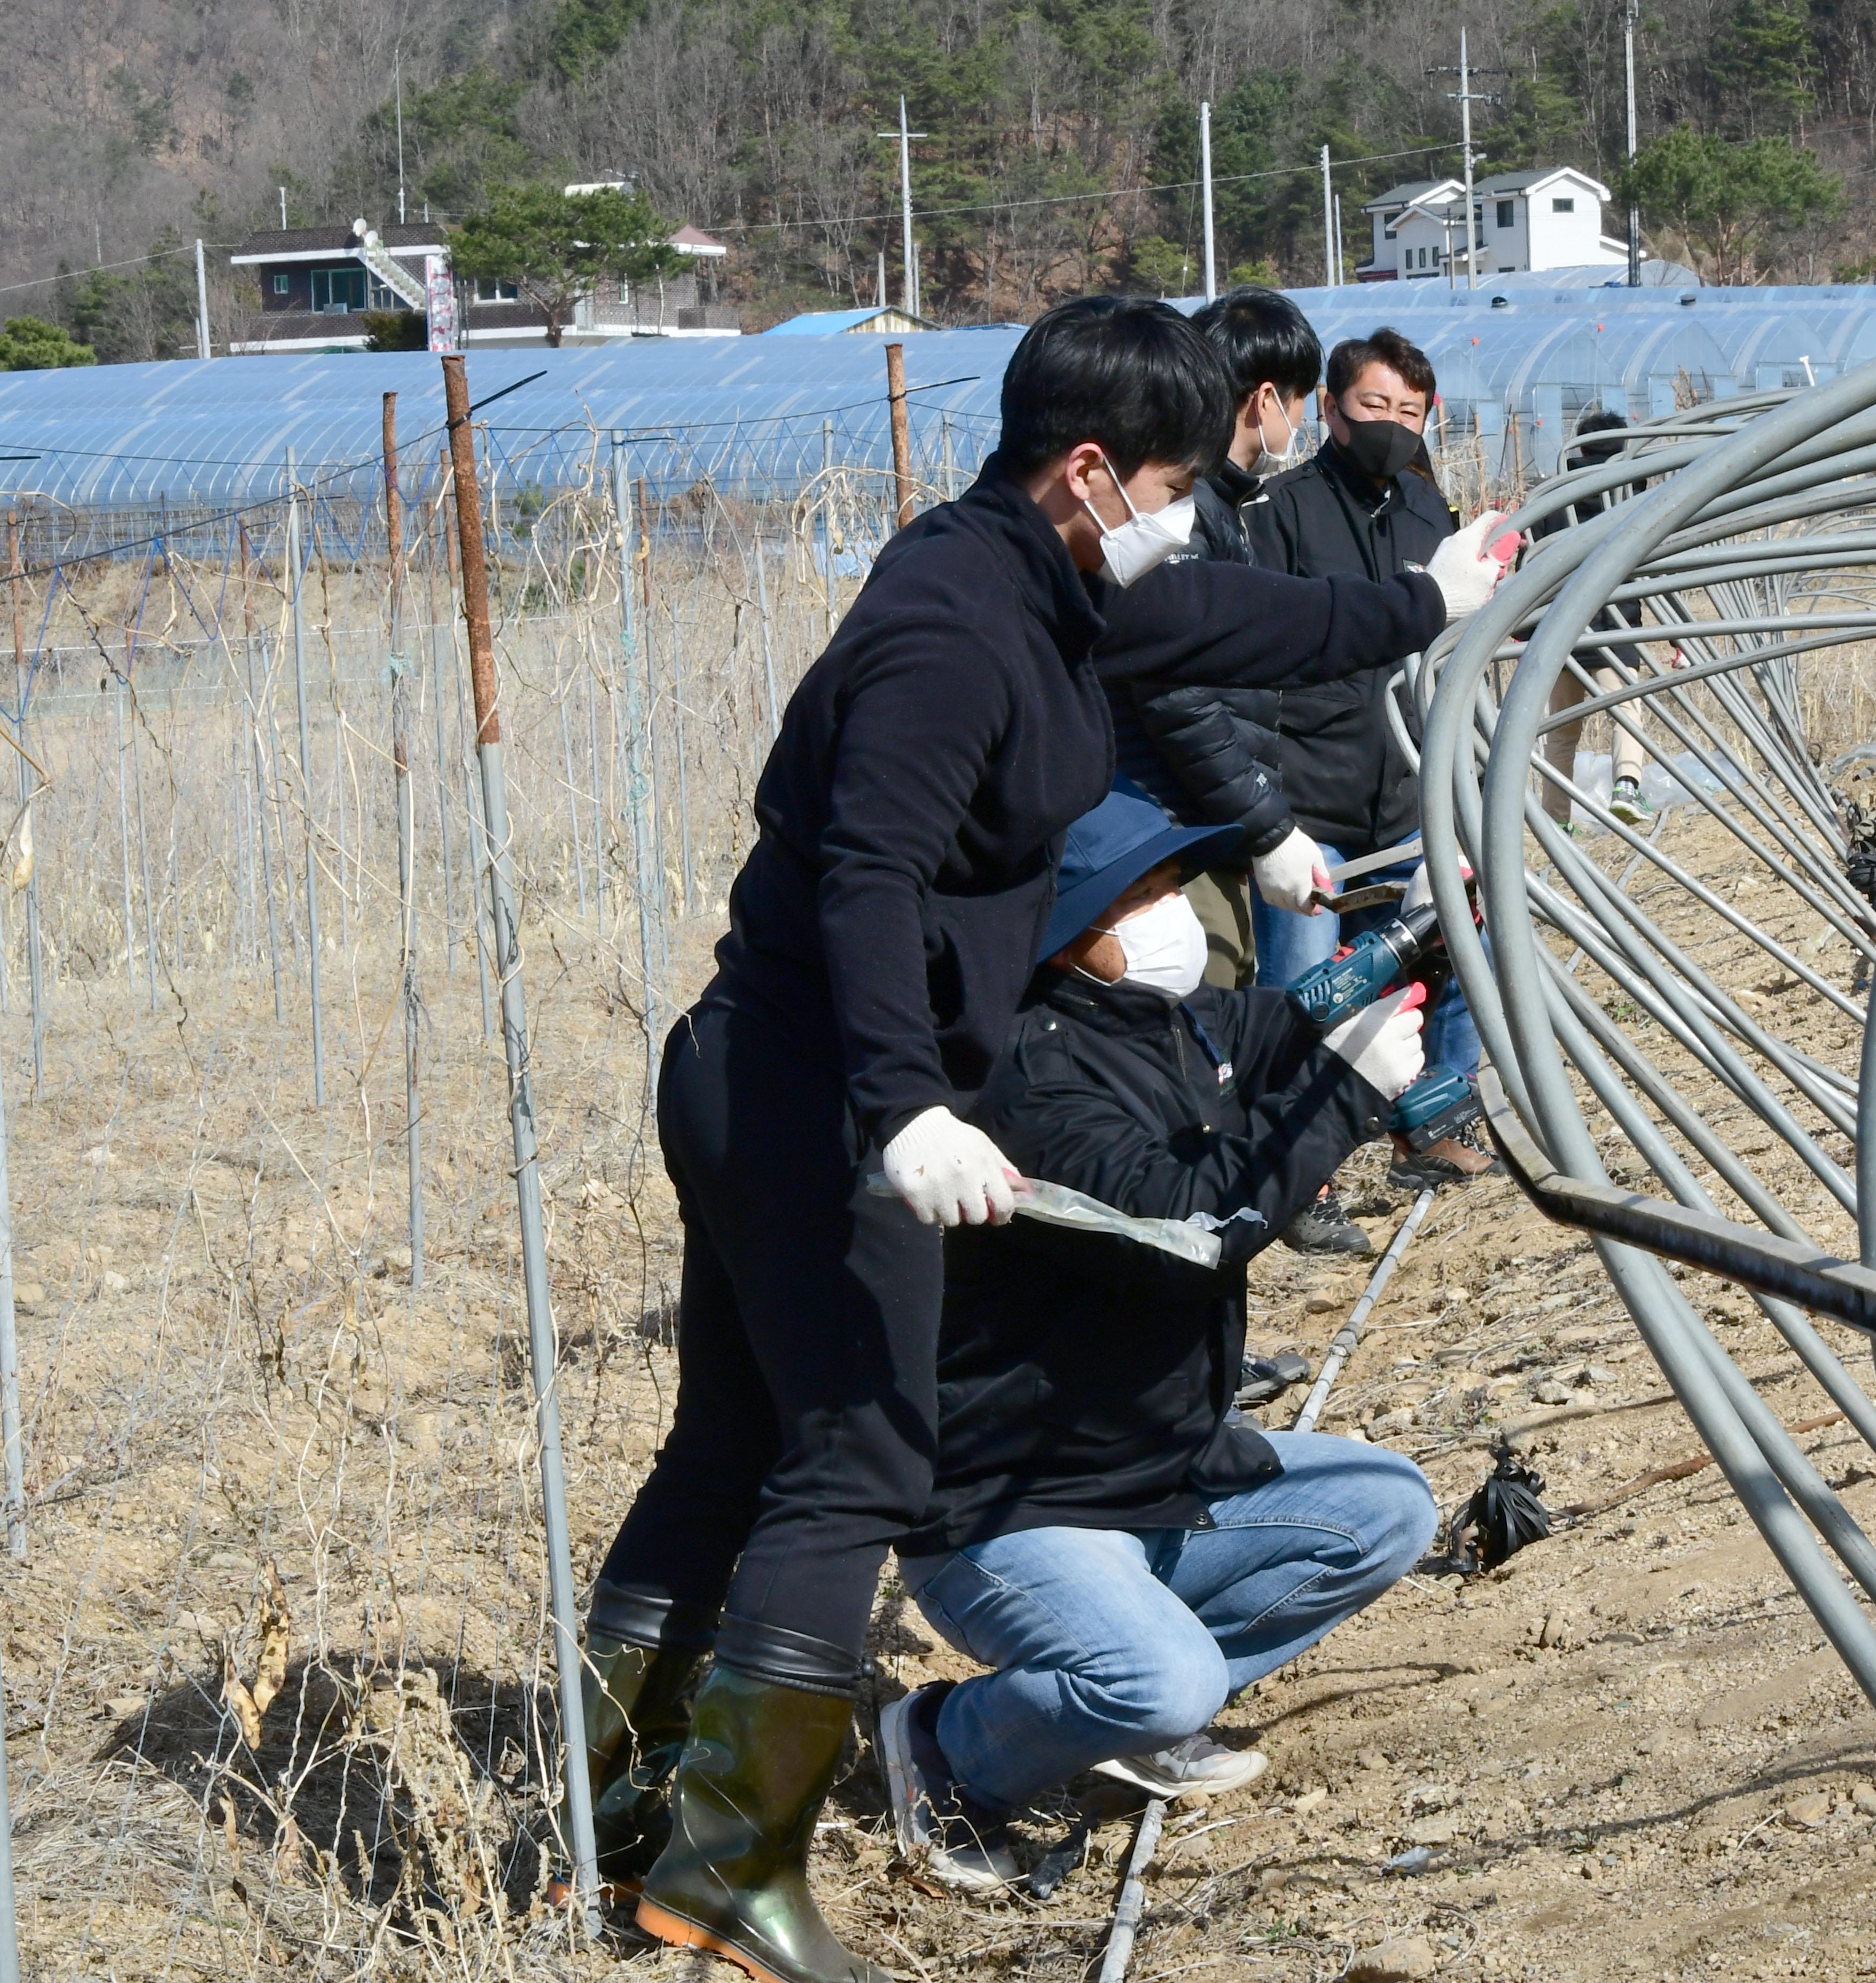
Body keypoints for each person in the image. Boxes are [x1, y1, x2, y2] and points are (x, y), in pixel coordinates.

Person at [587, 296, 1510, 1982]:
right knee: (856, 1459)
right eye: (1167, 484)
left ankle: (629, 1821)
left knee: (724, 1448)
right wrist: (907, 1105)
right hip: (806, 1078)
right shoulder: (953, 626)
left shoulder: (1062, 592)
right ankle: (724, 1865)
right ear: (1085, 470)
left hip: (771, 1064)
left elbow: (1236, 616)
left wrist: (1415, 601)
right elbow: (867, 874)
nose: (1183, 520)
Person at [876, 788, 1440, 1888]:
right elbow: (1193, 1231)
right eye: (1135, 893)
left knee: (1387, 1510)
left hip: (1160, 1472)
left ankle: (1109, 1705)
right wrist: (1347, 1093)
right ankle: (958, 1749)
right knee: (1166, 1680)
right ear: (1061, 936)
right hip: (1018, 1505)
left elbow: (1291, 1018)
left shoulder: (1168, 1021)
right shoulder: (1028, 1082)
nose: (1169, 907)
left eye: (1168, 883)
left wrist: (1423, 929)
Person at [1249, 326, 1495, 1195]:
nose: (1393, 423)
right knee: (1303, 988)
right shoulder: (1276, 516)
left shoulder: (1432, 516)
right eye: (1373, 406)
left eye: (1410, 410)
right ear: (1330, 410)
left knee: (1459, 945)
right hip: (1309, 799)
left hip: (1408, 795)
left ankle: (1436, 1124)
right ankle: (1290, 1172)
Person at [1108, 288, 1335, 995]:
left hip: (1203, 826)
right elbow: (1180, 695)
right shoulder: (1185, 512)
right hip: (1175, 833)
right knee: (1200, 1025)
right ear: (1265, 399)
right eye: (1299, 402)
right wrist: (1267, 826)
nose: (1299, 423)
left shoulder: (1220, 508)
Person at [1536, 409, 1659, 832]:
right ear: (1623, 449)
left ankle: (1555, 819)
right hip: (1615, 626)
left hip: (1562, 633)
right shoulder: (1633, 494)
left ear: (1581, 447)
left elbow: (1533, 563)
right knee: (1627, 713)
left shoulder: (1553, 496)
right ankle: (1626, 786)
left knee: (1561, 732)